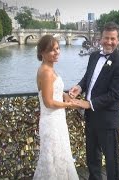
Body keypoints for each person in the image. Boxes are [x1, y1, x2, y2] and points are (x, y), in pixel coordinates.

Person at [69, 22, 119, 180]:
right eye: (106, 38)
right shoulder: (94, 55)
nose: (108, 42)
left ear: (118, 40)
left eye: (112, 39)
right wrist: (79, 87)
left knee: (112, 160)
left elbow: (115, 95)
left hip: (108, 119)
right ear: (100, 38)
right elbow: (88, 77)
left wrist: (88, 104)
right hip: (91, 117)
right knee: (92, 158)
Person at [34, 34, 81, 180]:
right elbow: (48, 102)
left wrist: (65, 95)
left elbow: (54, 93)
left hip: (56, 119)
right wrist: (68, 105)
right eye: (52, 50)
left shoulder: (48, 68)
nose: (57, 52)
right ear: (42, 53)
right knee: (54, 155)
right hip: (52, 120)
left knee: (57, 155)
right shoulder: (47, 72)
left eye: (58, 48)